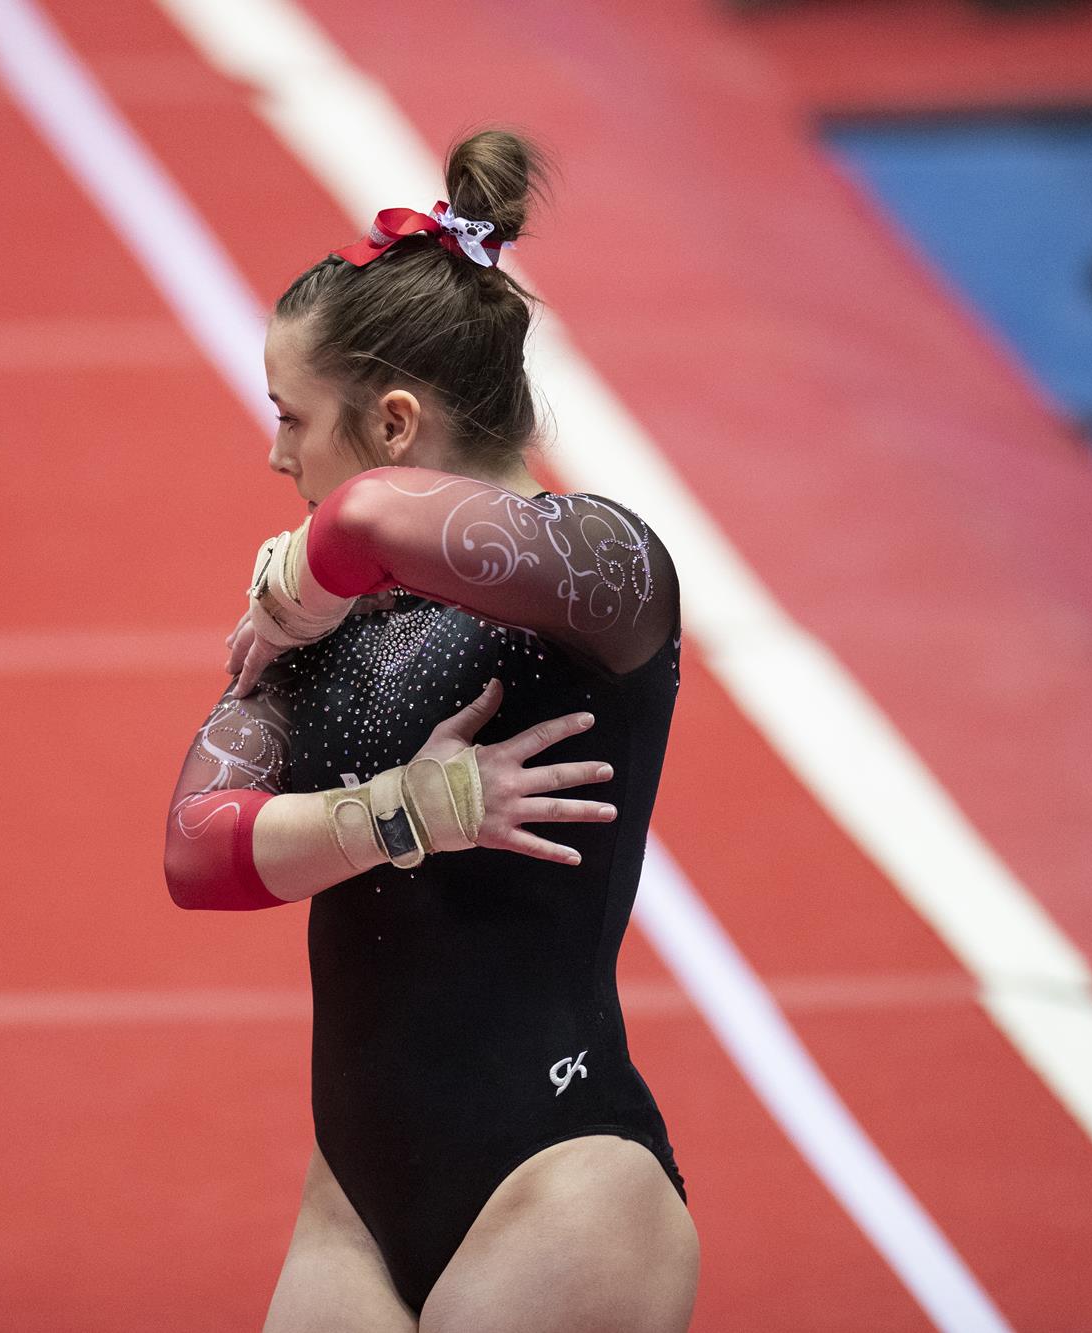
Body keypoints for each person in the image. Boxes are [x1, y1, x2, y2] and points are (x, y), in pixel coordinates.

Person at [162, 129, 698, 1332]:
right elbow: (199, 853)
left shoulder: (604, 571)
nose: (275, 451)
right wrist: (403, 811)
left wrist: (298, 580)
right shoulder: (322, 630)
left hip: (560, 1178)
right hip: (353, 1200)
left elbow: (364, 518)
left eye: (293, 415)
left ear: (394, 420)